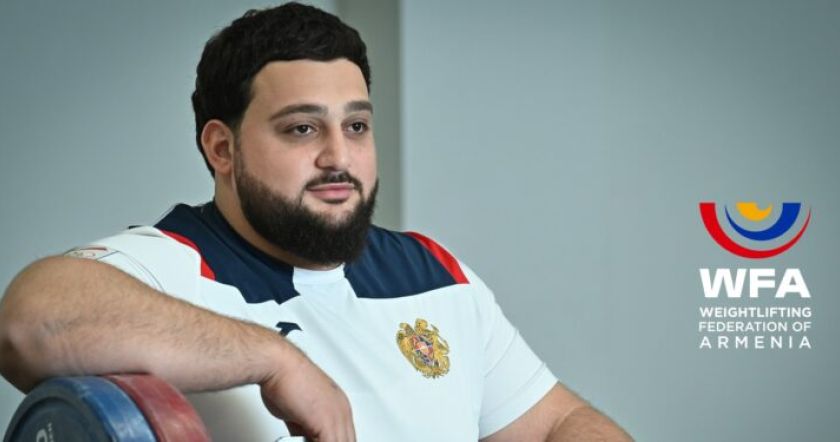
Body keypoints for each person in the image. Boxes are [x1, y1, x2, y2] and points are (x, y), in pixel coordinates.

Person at [0, 3, 632, 441]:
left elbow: (555, 423)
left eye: (356, 125)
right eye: (302, 129)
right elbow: (30, 323)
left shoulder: (433, 273)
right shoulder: (170, 265)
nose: (339, 157)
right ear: (222, 148)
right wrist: (277, 359)